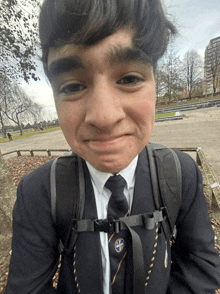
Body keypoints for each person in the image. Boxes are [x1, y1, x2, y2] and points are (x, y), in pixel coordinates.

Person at [5, 0, 220, 293]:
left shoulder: (182, 175)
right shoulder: (40, 192)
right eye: (73, 86)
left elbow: (200, 271)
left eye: (129, 78)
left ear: (155, 83)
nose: (104, 117)